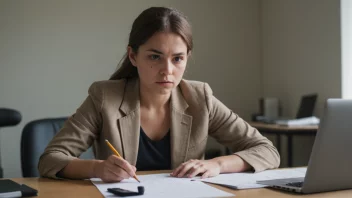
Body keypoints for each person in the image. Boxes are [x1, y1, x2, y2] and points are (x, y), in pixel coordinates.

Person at [38, 7, 280, 182]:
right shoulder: (105, 97)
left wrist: (217, 164)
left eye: (177, 59)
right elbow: (50, 159)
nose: (167, 70)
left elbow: (266, 151)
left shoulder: (200, 97)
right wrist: (98, 168)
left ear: (187, 58)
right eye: (155, 57)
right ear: (133, 56)